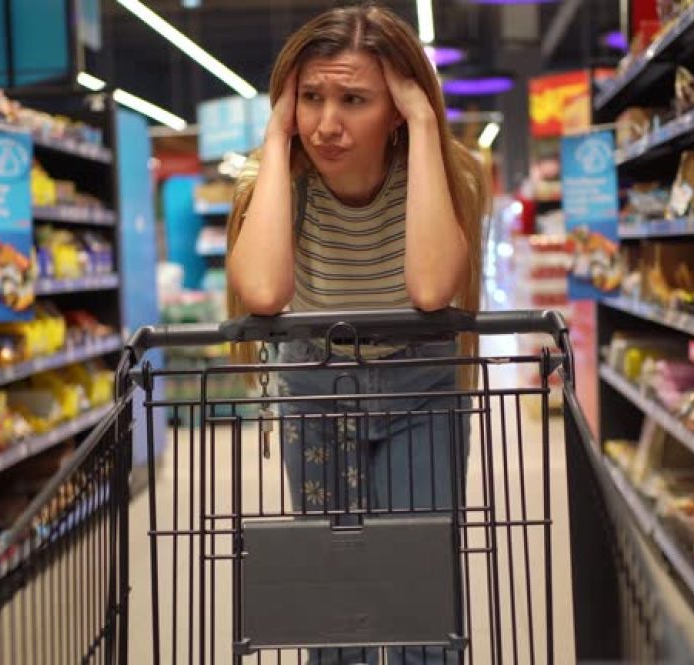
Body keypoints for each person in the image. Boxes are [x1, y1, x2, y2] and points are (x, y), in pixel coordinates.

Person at [226, 4, 488, 664]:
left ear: (396, 107)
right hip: (313, 388)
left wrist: (426, 121)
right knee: (331, 599)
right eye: (310, 97)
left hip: (420, 389)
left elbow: (431, 291)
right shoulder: (275, 182)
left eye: (355, 99)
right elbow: (261, 293)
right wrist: (276, 133)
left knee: (418, 599)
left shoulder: (441, 176)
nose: (327, 123)